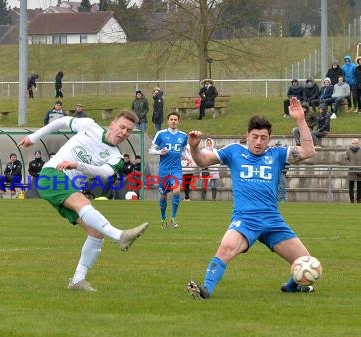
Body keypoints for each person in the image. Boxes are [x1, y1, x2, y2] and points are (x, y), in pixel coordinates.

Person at [186, 97, 319, 300]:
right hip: (245, 219)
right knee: (226, 248)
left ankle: (292, 287)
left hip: (273, 220)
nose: (258, 142)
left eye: (263, 138)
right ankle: (206, 289)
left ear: (269, 138)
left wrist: (300, 119)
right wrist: (195, 148)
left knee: (308, 263)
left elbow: (309, 151)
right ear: (247, 135)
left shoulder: (277, 154)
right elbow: (203, 161)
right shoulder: (234, 151)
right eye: (255, 136)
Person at [17, 110, 149, 292]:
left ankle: (78, 279)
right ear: (112, 124)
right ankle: (119, 236)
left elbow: (105, 173)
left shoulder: (116, 157)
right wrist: (34, 137)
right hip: (52, 175)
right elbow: (62, 121)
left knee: (96, 232)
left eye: (129, 131)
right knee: (84, 204)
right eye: (122, 127)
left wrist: (77, 165)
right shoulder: (89, 126)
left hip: (69, 185)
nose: (124, 132)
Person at [148, 112, 191, 229]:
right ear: (168, 121)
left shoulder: (183, 136)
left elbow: (183, 150)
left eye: (175, 119)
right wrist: (159, 152)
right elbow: (151, 150)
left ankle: (173, 217)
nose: (173, 121)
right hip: (164, 170)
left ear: (178, 121)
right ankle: (163, 218)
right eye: (171, 119)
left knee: (176, 190)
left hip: (176, 168)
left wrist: (189, 158)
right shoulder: (160, 134)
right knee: (163, 196)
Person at [344, 138, 361, 203]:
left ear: (358, 143)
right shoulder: (348, 150)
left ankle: (359, 200)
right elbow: (345, 160)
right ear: (351, 143)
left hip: (359, 171)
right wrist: (350, 165)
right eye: (353, 143)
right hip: (351, 171)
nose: (355, 144)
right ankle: (352, 200)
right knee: (351, 187)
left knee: (360, 187)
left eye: (356, 143)